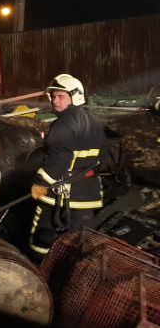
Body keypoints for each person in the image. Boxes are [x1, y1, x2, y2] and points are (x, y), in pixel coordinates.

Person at [28, 73, 106, 259]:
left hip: (58, 196)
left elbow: (60, 159)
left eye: (60, 96)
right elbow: (101, 155)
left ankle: (38, 269)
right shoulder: (95, 121)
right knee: (78, 245)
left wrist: (40, 183)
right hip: (87, 195)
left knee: (42, 241)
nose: (55, 101)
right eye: (53, 96)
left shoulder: (64, 123)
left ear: (75, 96)